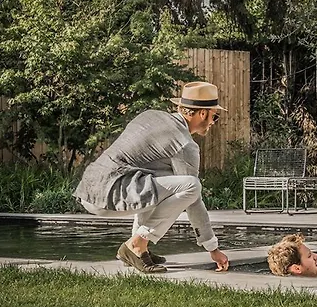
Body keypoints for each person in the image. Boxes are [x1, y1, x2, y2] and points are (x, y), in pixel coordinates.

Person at [73, 81, 230, 273]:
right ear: (203, 113)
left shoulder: (150, 117)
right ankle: (136, 245)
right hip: (109, 195)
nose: (214, 122)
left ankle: (139, 249)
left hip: (91, 189)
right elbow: (193, 200)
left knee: (167, 182)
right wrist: (212, 248)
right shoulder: (184, 144)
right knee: (191, 186)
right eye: (215, 116)